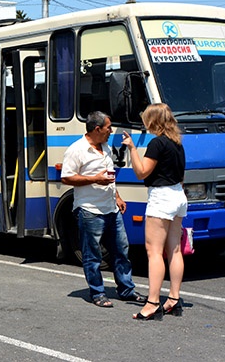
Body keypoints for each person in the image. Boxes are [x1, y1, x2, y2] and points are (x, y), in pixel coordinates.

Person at [61, 111, 144, 308]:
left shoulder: (105, 147)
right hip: (90, 210)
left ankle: (126, 290)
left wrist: (117, 197)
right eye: (108, 127)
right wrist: (93, 179)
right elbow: (66, 177)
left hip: (111, 209)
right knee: (93, 254)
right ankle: (97, 292)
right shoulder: (76, 150)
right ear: (97, 129)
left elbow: (109, 177)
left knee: (121, 250)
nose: (111, 131)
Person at [122, 103, 187, 321]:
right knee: (175, 249)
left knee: (154, 251)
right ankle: (174, 299)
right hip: (178, 195)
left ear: (153, 121)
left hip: (162, 197)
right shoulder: (177, 143)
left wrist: (131, 148)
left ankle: (152, 303)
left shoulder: (156, 143)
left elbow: (141, 173)